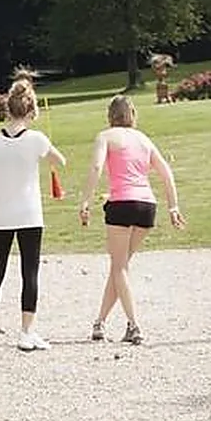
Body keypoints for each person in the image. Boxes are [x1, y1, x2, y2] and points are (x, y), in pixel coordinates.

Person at [79, 95, 184, 345]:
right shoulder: (144, 139)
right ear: (132, 115)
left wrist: (85, 200)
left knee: (119, 267)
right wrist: (173, 207)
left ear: (110, 115)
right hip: (147, 205)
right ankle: (100, 322)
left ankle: (134, 324)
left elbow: (95, 167)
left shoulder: (106, 136)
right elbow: (166, 172)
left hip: (121, 204)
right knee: (120, 267)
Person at [0, 77, 66, 350]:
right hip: (28, 213)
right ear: (31, 111)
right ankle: (26, 332)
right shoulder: (36, 139)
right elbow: (60, 161)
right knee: (30, 272)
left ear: (7, 109)